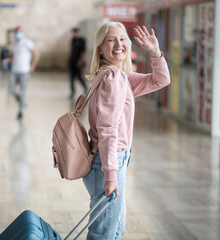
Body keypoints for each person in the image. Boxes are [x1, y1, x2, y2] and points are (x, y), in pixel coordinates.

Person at [83, 22, 171, 239]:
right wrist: (110, 176)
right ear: (100, 48)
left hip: (109, 161)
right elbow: (108, 130)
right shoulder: (113, 79)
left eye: (122, 39)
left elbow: (161, 79)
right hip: (108, 163)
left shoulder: (118, 76)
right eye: (111, 39)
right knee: (104, 233)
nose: (118, 44)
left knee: (115, 229)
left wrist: (155, 53)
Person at [8, 26, 40, 119]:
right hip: (14, 70)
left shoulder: (27, 43)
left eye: (20, 32)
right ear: (14, 34)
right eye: (16, 32)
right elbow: (14, 54)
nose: (18, 34)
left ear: (22, 33)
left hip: (24, 71)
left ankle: (21, 111)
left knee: (23, 90)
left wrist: (32, 66)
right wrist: (8, 59)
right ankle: (21, 100)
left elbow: (36, 54)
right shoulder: (14, 44)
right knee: (12, 90)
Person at [68, 27, 88, 99]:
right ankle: (72, 92)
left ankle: (86, 87)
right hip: (72, 60)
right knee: (71, 77)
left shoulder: (82, 40)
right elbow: (72, 49)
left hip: (79, 60)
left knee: (79, 76)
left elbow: (83, 51)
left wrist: (81, 61)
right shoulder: (73, 39)